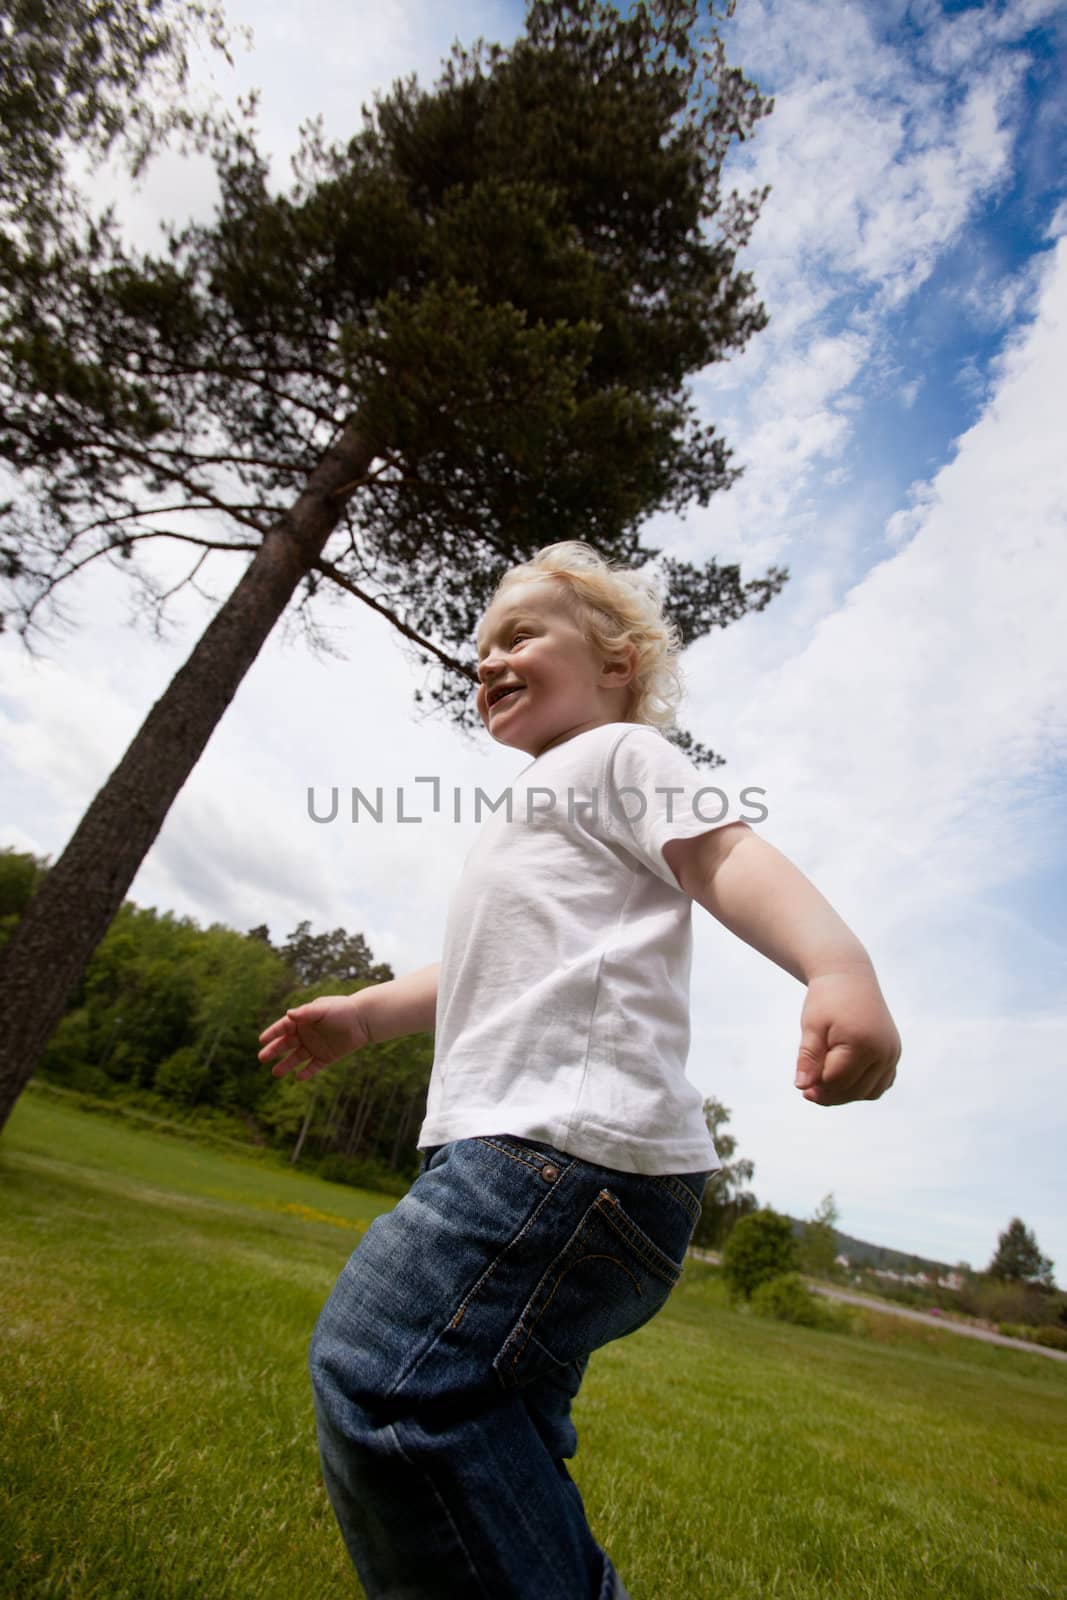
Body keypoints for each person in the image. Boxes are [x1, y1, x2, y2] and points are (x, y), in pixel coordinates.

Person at [257, 541, 900, 1599]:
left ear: (618, 662)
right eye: (477, 653)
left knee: (385, 1369)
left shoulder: (620, 757)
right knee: (489, 1423)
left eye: (519, 636)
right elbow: (470, 968)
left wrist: (833, 962)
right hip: (542, 1164)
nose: (488, 664)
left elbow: (722, 854)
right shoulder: (537, 805)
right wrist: (364, 1017)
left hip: (561, 1156)